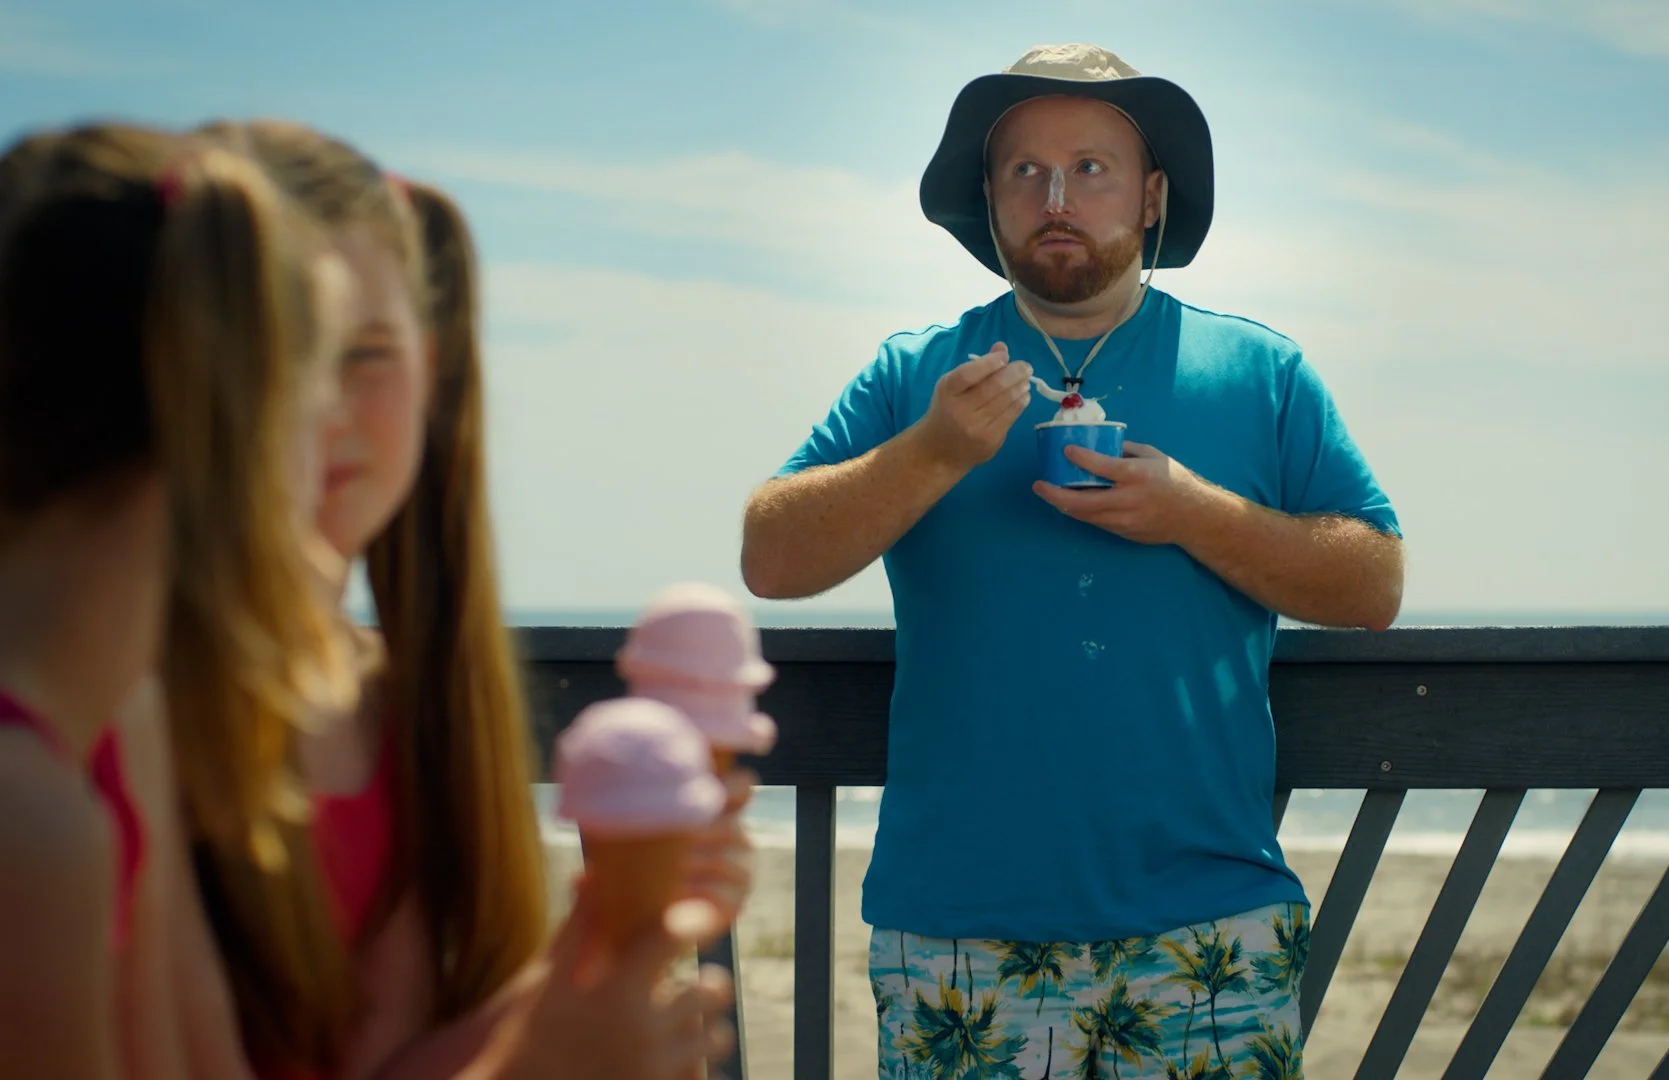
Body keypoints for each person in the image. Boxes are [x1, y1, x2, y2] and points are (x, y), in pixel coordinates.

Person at [743, 44, 1405, 1075]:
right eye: (1025, 172)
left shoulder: (1261, 371)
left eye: (1091, 168)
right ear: (989, 200)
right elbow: (771, 557)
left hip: (1211, 922)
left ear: (1151, 197)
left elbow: (1374, 582)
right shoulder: (917, 374)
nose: (1056, 199)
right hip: (954, 925)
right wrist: (934, 451)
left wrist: (1189, 511)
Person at [194, 119, 746, 1080]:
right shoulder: (135, 715)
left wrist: (591, 960)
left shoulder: (395, 705)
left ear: (431, 369)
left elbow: (388, 1062)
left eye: (367, 352)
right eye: (276, 351)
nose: (325, 403)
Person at [0, 122, 359, 1080]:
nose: (334, 446)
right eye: (317, 404)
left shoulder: (117, 726)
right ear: (235, 424)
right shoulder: (29, 826)